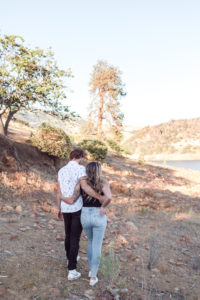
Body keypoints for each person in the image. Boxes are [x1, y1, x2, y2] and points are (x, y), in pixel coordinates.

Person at [57, 149, 107, 281]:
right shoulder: (80, 169)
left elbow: (58, 191)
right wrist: (99, 197)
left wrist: (59, 208)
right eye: (83, 157)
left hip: (65, 207)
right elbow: (84, 187)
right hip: (77, 208)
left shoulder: (61, 170)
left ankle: (70, 259)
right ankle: (72, 270)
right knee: (74, 238)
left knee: (68, 235)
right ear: (80, 157)